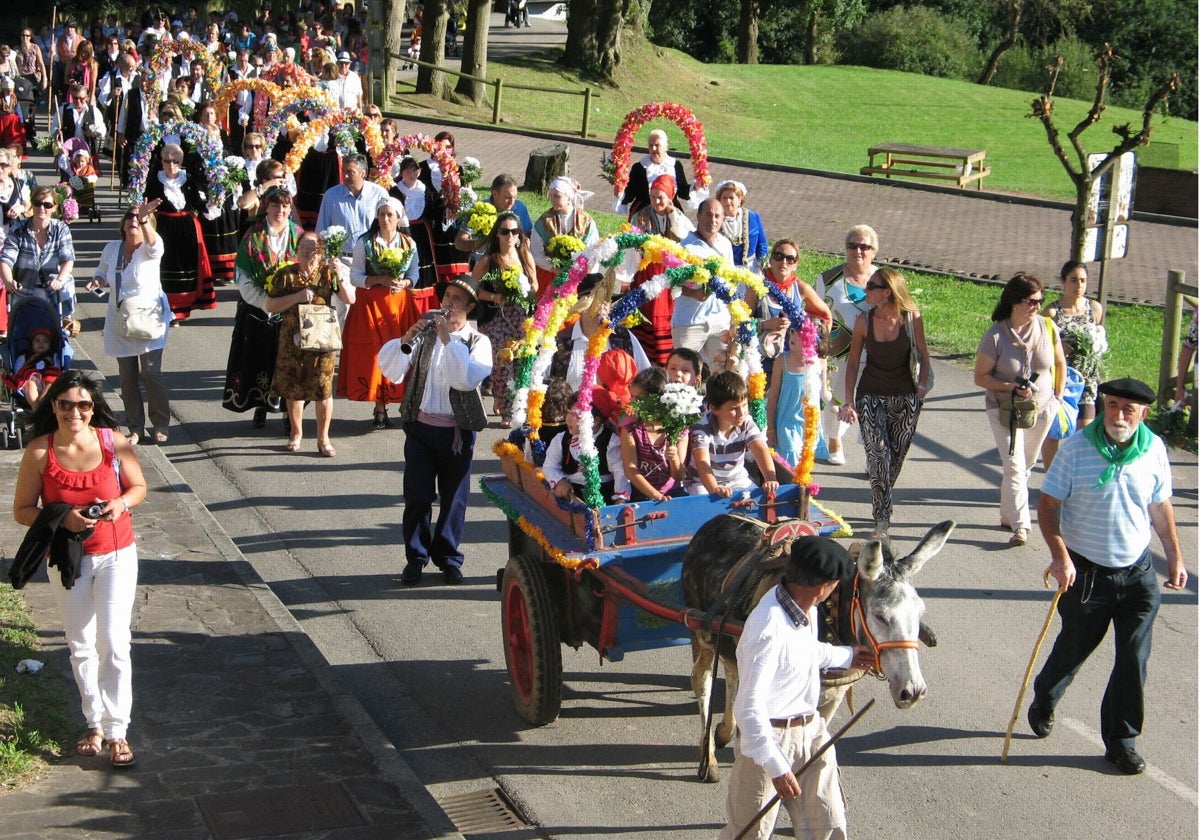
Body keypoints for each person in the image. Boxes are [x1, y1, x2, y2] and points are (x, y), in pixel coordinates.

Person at [1028, 378, 1187, 776]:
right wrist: (1060, 557)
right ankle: (1045, 697)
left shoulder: (1153, 450)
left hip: (1137, 576)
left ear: (1143, 415)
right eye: (1111, 405)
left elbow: (1160, 505)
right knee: (1074, 649)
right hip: (1086, 576)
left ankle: (1121, 741)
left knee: (1134, 657)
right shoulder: (1077, 450)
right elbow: (1048, 507)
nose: (1116, 415)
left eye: (1127, 410)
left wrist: (1175, 558)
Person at [11, 369, 148, 769]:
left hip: (117, 552)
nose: (75, 412)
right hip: (68, 560)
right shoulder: (39, 451)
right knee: (81, 643)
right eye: (66, 404)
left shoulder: (113, 442)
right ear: (53, 406)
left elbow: (138, 487)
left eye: (83, 405)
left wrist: (120, 504)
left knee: (115, 642)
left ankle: (119, 730)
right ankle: (95, 724)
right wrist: (61, 517)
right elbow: (21, 511)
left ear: (93, 409)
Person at [718, 536, 872, 840]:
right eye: (835, 585)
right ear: (823, 587)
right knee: (750, 834)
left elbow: (805, 652)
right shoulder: (767, 629)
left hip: (811, 732)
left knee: (828, 826)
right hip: (766, 742)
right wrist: (776, 765)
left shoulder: (806, 609)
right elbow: (748, 711)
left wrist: (849, 656)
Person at [377, 274, 492, 586]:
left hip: (458, 434)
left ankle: (448, 558)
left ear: (470, 306)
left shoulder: (479, 343)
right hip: (420, 427)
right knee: (417, 496)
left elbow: (464, 381)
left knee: (454, 499)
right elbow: (392, 371)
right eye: (446, 297)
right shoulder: (427, 332)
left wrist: (446, 339)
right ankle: (415, 557)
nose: (448, 304)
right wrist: (406, 339)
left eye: (456, 299)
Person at [974, 273, 1066, 546]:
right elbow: (980, 377)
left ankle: (1007, 514)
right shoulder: (995, 335)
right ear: (1014, 302)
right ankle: (1021, 525)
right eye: (1031, 301)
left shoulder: (1048, 327)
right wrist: (1010, 387)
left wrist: (1058, 395)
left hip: (1043, 408)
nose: (1037, 306)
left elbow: (1060, 363)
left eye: (1040, 300)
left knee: (1025, 467)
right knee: (1014, 466)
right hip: (1005, 410)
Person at [838, 268, 931, 534]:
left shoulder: (912, 319)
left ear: (887, 291)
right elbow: (853, 361)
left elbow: (924, 356)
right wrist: (849, 400)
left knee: (894, 460)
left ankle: (882, 498)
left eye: (871, 286)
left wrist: (921, 389)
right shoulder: (863, 322)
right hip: (870, 396)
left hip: (905, 398)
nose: (865, 291)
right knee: (878, 455)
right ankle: (882, 515)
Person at [87, 201, 172, 445]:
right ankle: (135, 427)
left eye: (140, 218)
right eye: (130, 217)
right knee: (127, 378)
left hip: (148, 319)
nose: (134, 221)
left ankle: (161, 424)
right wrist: (97, 281)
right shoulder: (112, 248)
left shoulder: (151, 249)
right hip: (120, 320)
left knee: (151, 373)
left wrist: (145, 219)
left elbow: (155, 245)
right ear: (123, 224)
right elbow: (101, 272)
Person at [266, 231, 355, 457]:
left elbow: (349, 299)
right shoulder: (286, 275)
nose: (309, 253)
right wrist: (296, 297)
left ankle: (323, 438)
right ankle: (296, 433)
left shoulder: (328, 273)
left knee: (323, 389)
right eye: (304, 248)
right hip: (293, 341)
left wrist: (340, 275)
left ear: (321, 251)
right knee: (294, 389)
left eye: (313, 248)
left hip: (322, 339)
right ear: (297, 251)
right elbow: (270, 305)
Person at [341, 197, 421, 429]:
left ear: (398, 218)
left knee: (402, 353)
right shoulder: (364, 243)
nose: (385, 219)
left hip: (399, 306)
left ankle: (403, 403)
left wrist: (405, 283)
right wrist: (379, 279)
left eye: (390, 215)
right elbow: (355, 276)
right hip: (371, 305)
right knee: (376, 355)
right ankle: (379, 406)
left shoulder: (408, 243)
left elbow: (415, 273)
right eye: (381, 215)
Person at [223, 186, 300, 427]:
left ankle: (290, 413)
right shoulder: (253, 235)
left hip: (290, 309)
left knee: (288, 362)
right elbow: (243, 275)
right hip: (258, 308)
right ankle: (261, 406)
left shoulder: (298, 234)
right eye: (276, 205)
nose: (281, 210)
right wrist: (264, 302)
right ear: (267, 207)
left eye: (285, 205)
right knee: (259, 360)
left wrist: (291, 298)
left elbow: (309, 269)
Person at [814, 225, 880, 466]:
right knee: (838, 398)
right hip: (838, 354)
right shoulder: (828, 279)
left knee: (874, 405)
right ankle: (834, 440)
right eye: (852, 245)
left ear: (874, 251)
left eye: (864, 246)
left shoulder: (882, 278)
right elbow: (816, 315)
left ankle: (873, 454)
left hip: (876, 355)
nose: (858, 251)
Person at [472, 210, 537, 427]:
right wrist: (495, 296)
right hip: (495, 318)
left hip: (519, 316)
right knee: (502, 364)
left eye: (514, 232)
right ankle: (507, 411)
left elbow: (535, 285)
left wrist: (524, 289)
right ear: (497, 234)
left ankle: (511, 403)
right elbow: (471, 288)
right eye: (505, 232)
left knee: (519, 364)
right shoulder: (488, 260)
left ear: (519, 235)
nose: (510, 236)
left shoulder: (525, 256)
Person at [1041, 260, 1105, 466]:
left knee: (1085, 433)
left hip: (1088, 381)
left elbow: (1098, 336)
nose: (1079, 286)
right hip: (1062, 380)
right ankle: (1051, 476)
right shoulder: (1052, 313)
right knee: (1055, 429)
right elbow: (1041, 347)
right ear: (1063, 282)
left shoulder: (1094, 308)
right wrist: (1059, 348)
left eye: (1083, 281)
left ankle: (1076, 477)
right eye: (1074, 280)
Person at [142, 143, 216, 321]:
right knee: (165, 266)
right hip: (163, 228)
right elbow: (145, 202)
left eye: (175, 161)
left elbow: (198, 202)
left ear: (181, 161)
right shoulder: (153, 179)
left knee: (186, 266)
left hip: (186, 227)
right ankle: (166, 308)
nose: (171, 165)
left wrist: (211, 204)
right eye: (167, 161)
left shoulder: (188, 179)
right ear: (161, 161)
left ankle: (182, 307)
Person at [629, 174, 694, 366]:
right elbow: (633, 246)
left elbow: (685, 238)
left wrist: (672, 215)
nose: (657, 201)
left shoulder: (679, 217)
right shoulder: (640, 217)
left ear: (671, 197)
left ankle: (667, 360)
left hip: (669, 276)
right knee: (648, 316)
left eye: (661, 197)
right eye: (653, 197)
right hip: (647, 274)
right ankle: (647, 359)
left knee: (665, 317)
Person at [684, 370, 780, 497]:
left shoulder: (746, 422)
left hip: (737, 480)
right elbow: (703, 463)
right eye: (734, 409)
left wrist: (770, 477)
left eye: (744, 405)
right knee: (702, 497)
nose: (742, 413)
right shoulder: (702, 428)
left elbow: (760, 449)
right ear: (714, 409)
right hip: (702, 482)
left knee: (756, 499)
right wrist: (715, 489)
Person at [746, 238, 833, 377]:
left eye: (790, 259)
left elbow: (825, 316)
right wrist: (766, 324)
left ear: (796, 265)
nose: (784, 262)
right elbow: (740, 326)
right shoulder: (756, 288)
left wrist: (812, 342)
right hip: (761, 364)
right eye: (779, 256)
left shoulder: (800, 288)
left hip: (792, 365)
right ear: (771, 260)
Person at [675, 198, 734, 370]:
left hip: (720, 322)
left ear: (723, 219)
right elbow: (671, 283)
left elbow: (731, 281)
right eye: (708, 215)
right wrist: (694, 294)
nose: (712, 220)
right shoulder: (685, 246)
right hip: (689, 321)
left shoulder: (726, 244)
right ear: (699, 216)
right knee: (682, 371)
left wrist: (733, 318)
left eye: (717, 216)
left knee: (722, 374)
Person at [0, 186, 76, 319]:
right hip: (25, 290)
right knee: (23, 333)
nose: (42, 208)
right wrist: (8, 281)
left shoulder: (61, 229)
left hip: (54, 290)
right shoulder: (18, 229)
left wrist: (60, 280)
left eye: (47, 205)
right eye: (37, 203)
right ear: (32, 205)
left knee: (56, 334)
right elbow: (6, 259)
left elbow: (67, 260)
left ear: (54, 207)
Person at [768, 326, 830, 469]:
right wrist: (770, 428)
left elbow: (825, 392)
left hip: (809, 423)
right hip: (786, 424)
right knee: (790, 468)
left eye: (800, 335)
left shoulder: (820, 361)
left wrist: (842, 408)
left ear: (813, 341)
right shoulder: (782, 361)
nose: (793, 337)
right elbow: (773, 396)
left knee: (804, 467)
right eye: (792, 332)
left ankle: (802, 490)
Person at [620, 374, 689, 502]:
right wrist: (656, 496)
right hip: (643, 493)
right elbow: (631, 470)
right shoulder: (631, 429)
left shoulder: (678, 428)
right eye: (632, 396)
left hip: (672, 491)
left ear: (658, 400)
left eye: (639, 398)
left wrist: (674, 459)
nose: (632, 402)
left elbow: (679, 476)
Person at [530, 176, 599, 293]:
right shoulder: (545, 221)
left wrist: (583, 269)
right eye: (550, 195)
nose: (552, 199)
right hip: (551, 274)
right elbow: (536, 253)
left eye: (557, 196)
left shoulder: (585, 221)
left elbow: (594, 250)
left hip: (578, 274)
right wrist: (555, 268)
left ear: (569, 198)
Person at [315, 153, 389, 259]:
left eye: (350, 172)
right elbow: (322, 228)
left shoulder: (379, 194)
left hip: (372, 260)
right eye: (343, 171)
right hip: (342, 261)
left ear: (362, 173)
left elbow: (388, 227)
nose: (345, 176)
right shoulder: (331, 195)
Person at [616, 128, 698, 218]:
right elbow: (631, 192)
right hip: (644, 212)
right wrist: (620, 192)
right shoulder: (639, 167)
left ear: (666, 146)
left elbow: (682, 191)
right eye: (651, 146)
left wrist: (695, 187)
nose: (653, 149)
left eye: (657, 145)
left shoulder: (675, 165)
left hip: (670, 210)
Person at [388, 155, 440, 288]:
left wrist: (445, 205)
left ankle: (424, 295)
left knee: (423, 260)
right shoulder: (395, 190)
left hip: (422, 232)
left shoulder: (424, 189)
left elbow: (431, 211)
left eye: (415, 169)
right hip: (403, 231)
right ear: (401, 172)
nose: (412, 173)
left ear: (420, 171)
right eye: (408, 170)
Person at [715, 180, 768, 272]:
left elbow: (762, 244)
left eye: (731, 198)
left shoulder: (753, 216)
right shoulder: (714, 219)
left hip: (752, 269)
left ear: (739, 199)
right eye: (724, 198)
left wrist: (762, 262)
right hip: (725, 271)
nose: (727, 201)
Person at [8, 328, 60, 407]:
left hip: (47, 385)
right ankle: (37, 409)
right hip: (30, 384)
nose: (41, 343)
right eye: (37, 341)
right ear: (32, 344)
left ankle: (43, 398)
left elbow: (57, 370)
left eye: (45, 341)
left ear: (50, 345)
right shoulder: (24, 356)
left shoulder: (53, 357)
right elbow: (18, 370)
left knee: (52, 377)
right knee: (29, 382)